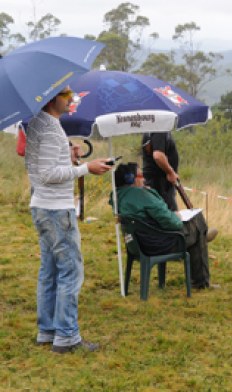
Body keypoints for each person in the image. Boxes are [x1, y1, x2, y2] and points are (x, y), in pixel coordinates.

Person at [25, 86, 112, 353]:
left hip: (42, 205)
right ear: (53, 99)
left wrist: (68, 154)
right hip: (56, 210)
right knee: (70, 271)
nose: (72, 99)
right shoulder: (51, 129)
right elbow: (49, 173)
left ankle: (47, 331)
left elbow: (41, 166)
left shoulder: (37, 123)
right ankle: (67, 337)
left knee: (50, 271)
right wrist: (86, 167)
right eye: (67, 96)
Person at [111, 163, 215, 289]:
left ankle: (201, 238)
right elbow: (173, 224)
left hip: (136, 244)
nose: (144, 179)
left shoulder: (117, 197)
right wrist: (176, 216)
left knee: (196, 231)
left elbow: (150, 216)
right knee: (197, 221)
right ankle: (201, 282)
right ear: (130, 179)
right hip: (158, 244)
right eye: (141, 175)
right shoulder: (143, 196)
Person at [142, 132, 179, 211]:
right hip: (160, 182)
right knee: (170, 216)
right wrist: (171, 172)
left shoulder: (150, 130)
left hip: (156, 181)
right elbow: (158, 155)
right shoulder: (159, 130)